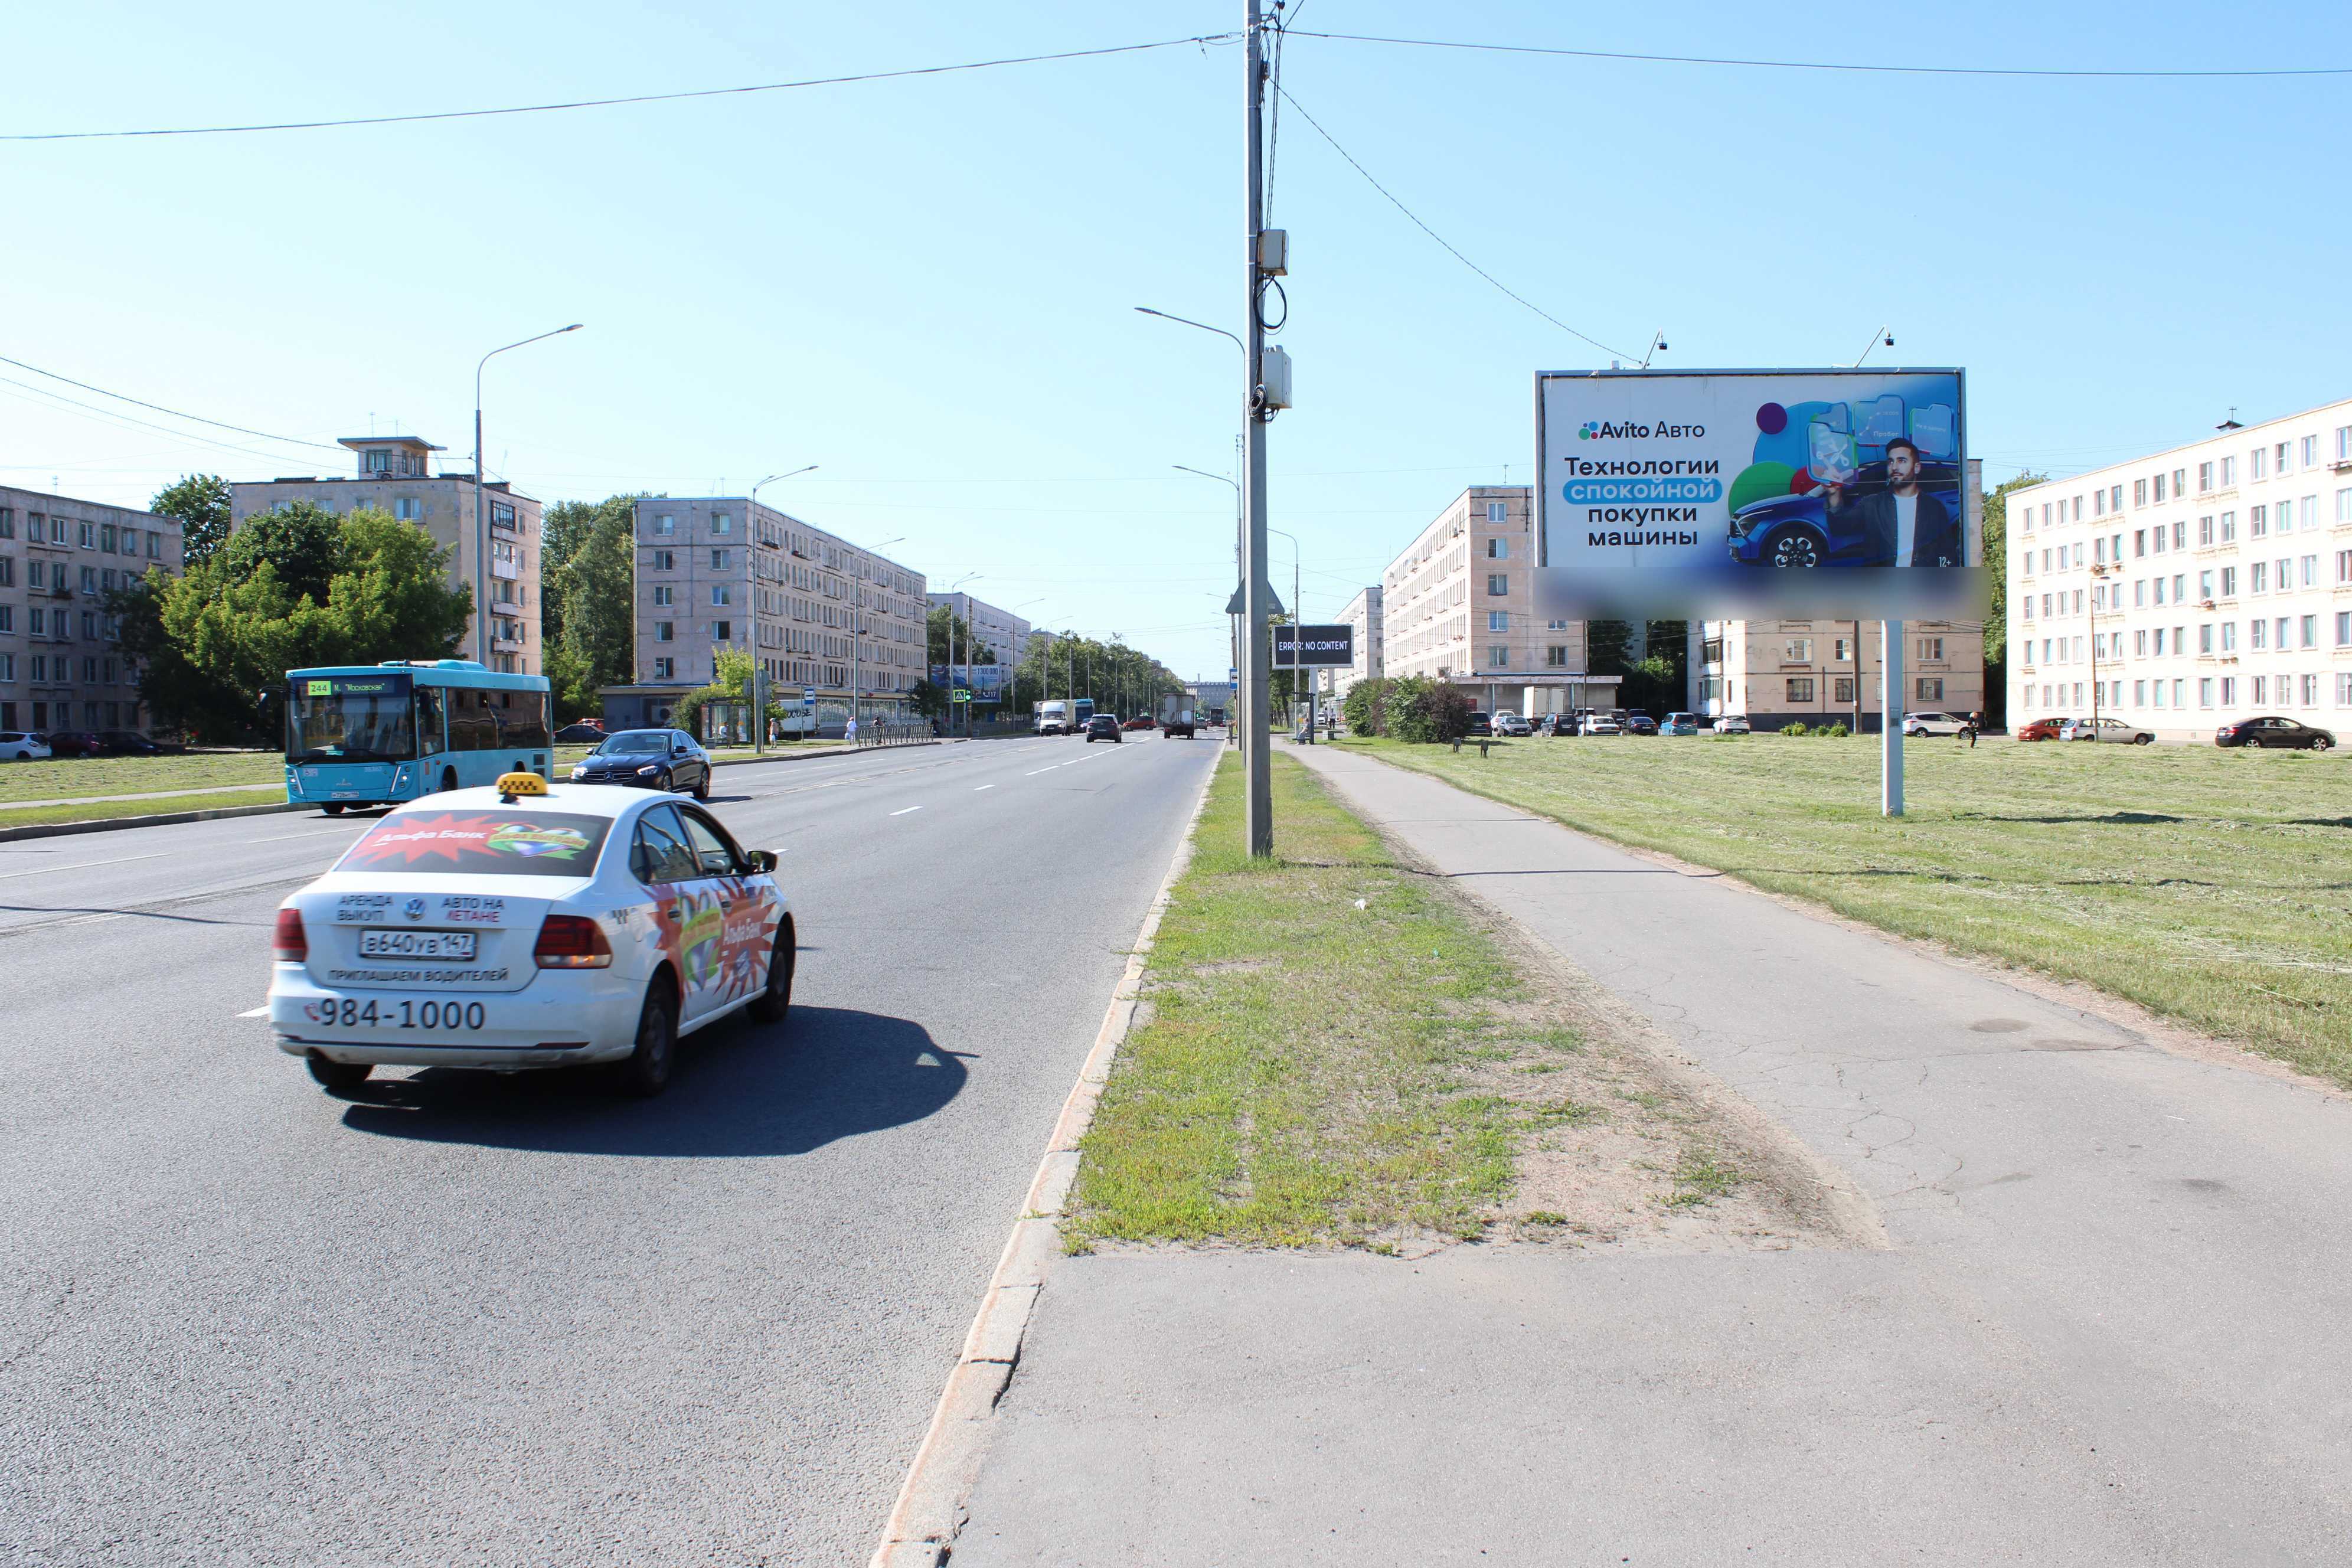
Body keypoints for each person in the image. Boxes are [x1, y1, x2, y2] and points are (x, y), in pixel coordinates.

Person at [1824, 436, 1960, 567]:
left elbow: (1946, 554)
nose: (1894, 467)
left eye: (1902, 461)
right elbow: (1839, 528)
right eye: (1891, 461)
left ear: (1917, 467)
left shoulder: (1934, 508)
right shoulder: (1872, 505)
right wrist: (1834, 495)